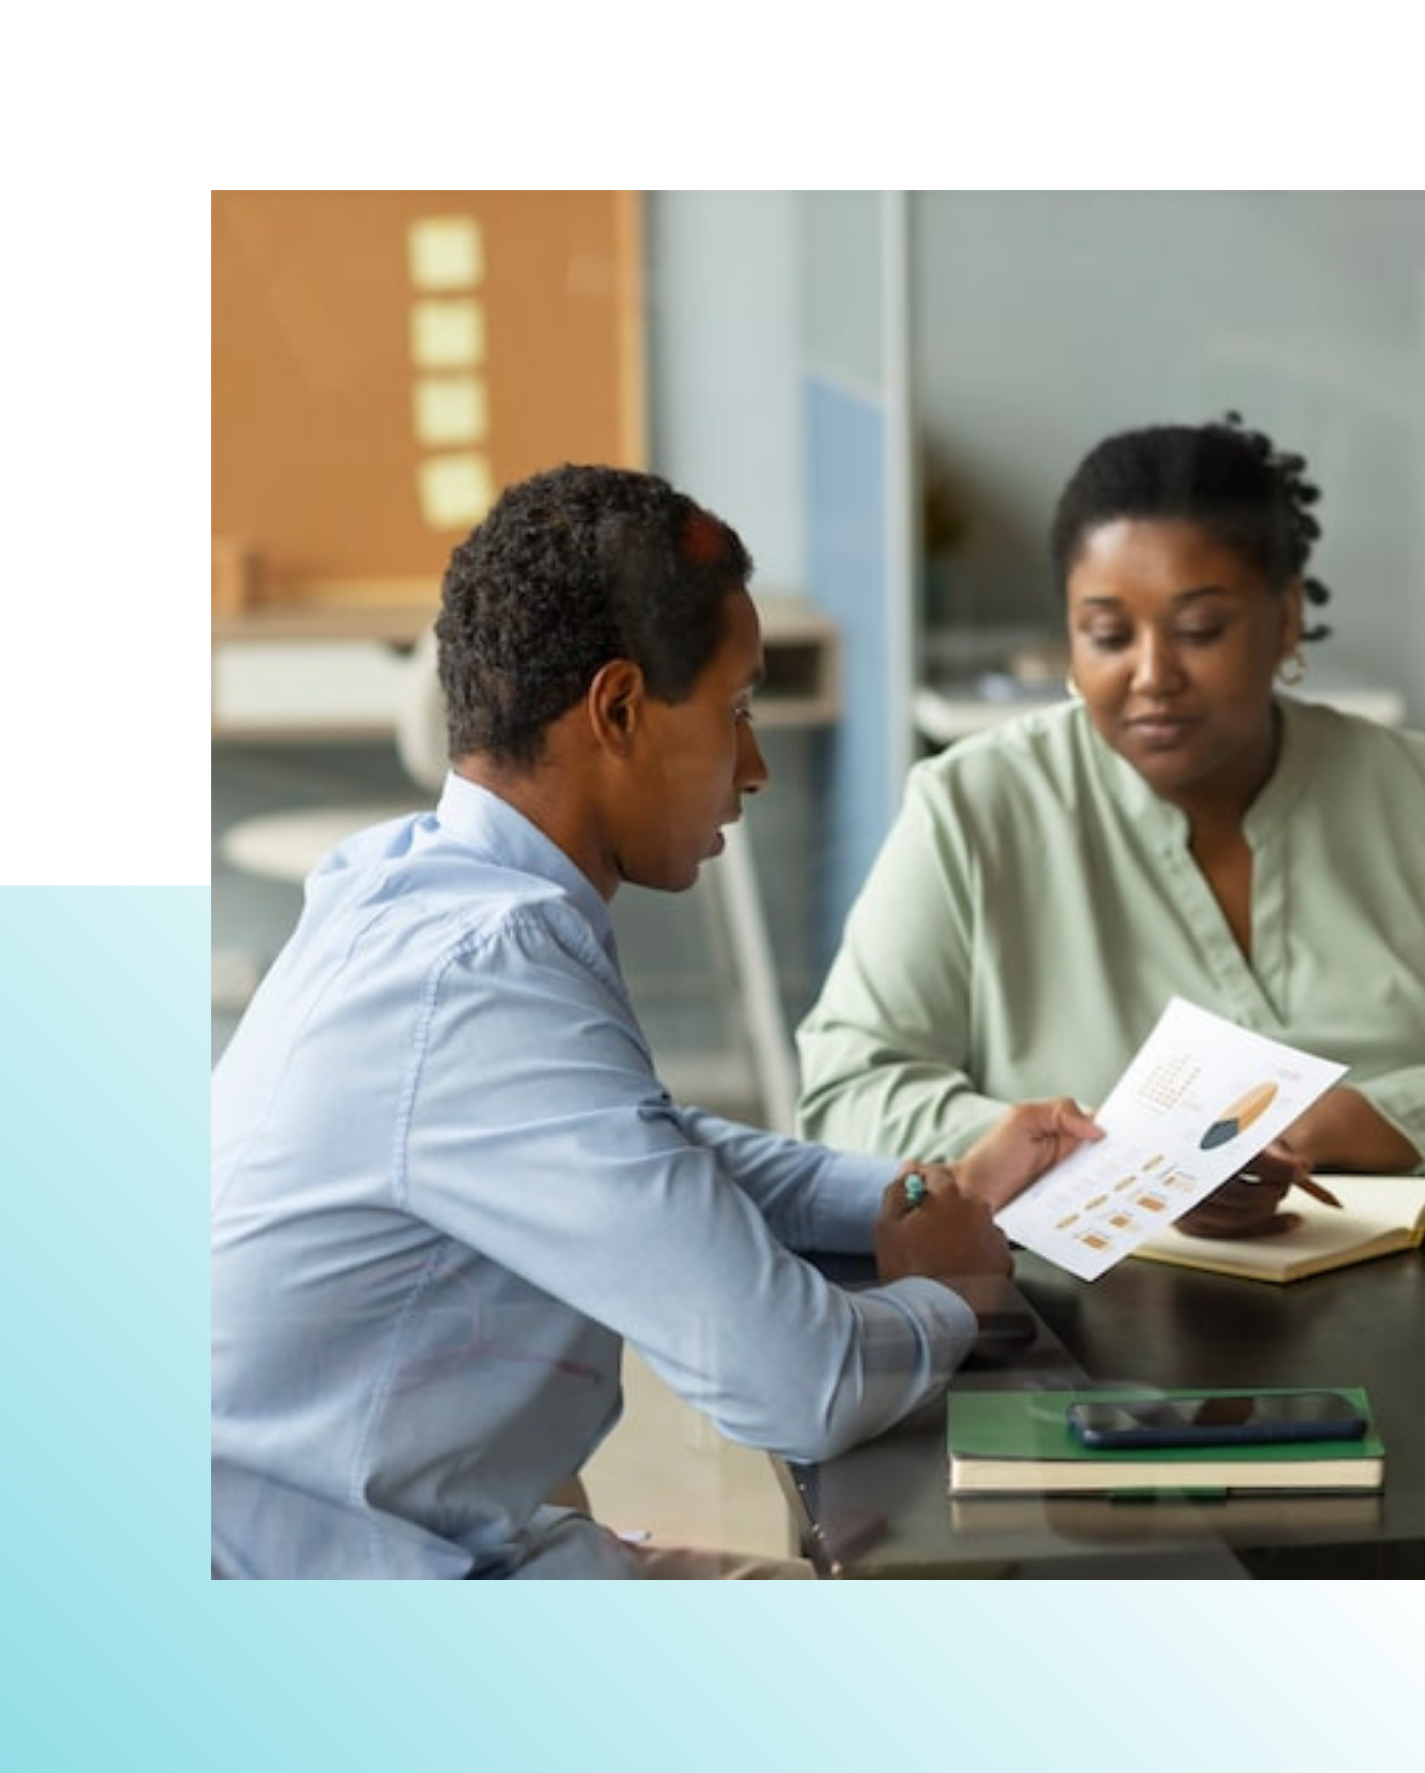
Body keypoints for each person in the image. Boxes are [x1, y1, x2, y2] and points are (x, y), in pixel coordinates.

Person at [211, 465, 1102, 1578]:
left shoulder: (408, 885)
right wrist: (958, 1292)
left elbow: (649, 1144)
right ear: (620, 710)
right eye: (736, 714)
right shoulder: (486, 972)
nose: (759, 766)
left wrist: (909, 1196)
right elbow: (799, 1384)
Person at [798, 415, 1425, 1211]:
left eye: (1200, 628)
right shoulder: (971, 809)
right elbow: (847, 1094)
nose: (1150, 674)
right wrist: (1105, 1153)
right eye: (1106, 634)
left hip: (1417, 1299)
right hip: (1093, 1317)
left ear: (1286, 622)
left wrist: (1366, 1122)